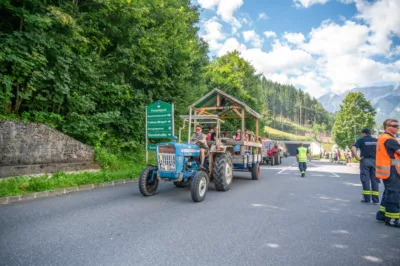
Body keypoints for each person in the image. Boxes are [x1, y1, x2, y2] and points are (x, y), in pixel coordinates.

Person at [375, 119, 400, 228]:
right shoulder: (389, 139)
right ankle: (392, 219)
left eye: (398, 125)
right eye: (394, 125)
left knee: (388, 192)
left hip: (388, 169)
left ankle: (382, 215)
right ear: (386, 127)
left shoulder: (383, 138)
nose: (397, 127)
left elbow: (391, 157)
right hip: (391, 170)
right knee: (394, 194)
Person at [351, 128, 379, 204]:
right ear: (369, 133)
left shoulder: (361, 140)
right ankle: (375, 200)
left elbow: (353, 148)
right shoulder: (376, 140)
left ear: (363, 133)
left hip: (365, 160)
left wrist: (357, 158)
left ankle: (367, 199)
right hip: (375, 161)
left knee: (365, 179)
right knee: (375, 180)